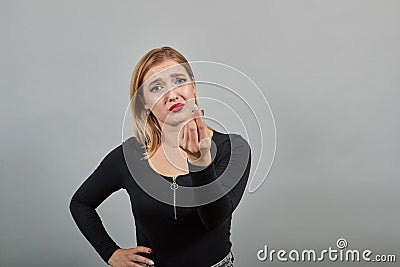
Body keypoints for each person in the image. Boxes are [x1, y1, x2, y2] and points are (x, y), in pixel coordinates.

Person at [69, 46, 252, 267]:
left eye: (179, 81)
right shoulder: (130, 156)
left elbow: (214, 220)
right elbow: (80, 203)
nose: (172, 94)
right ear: (144, 102)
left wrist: (200, 162)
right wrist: (111, 253)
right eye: (157, 87)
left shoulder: (233, 149)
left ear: (193, 86)